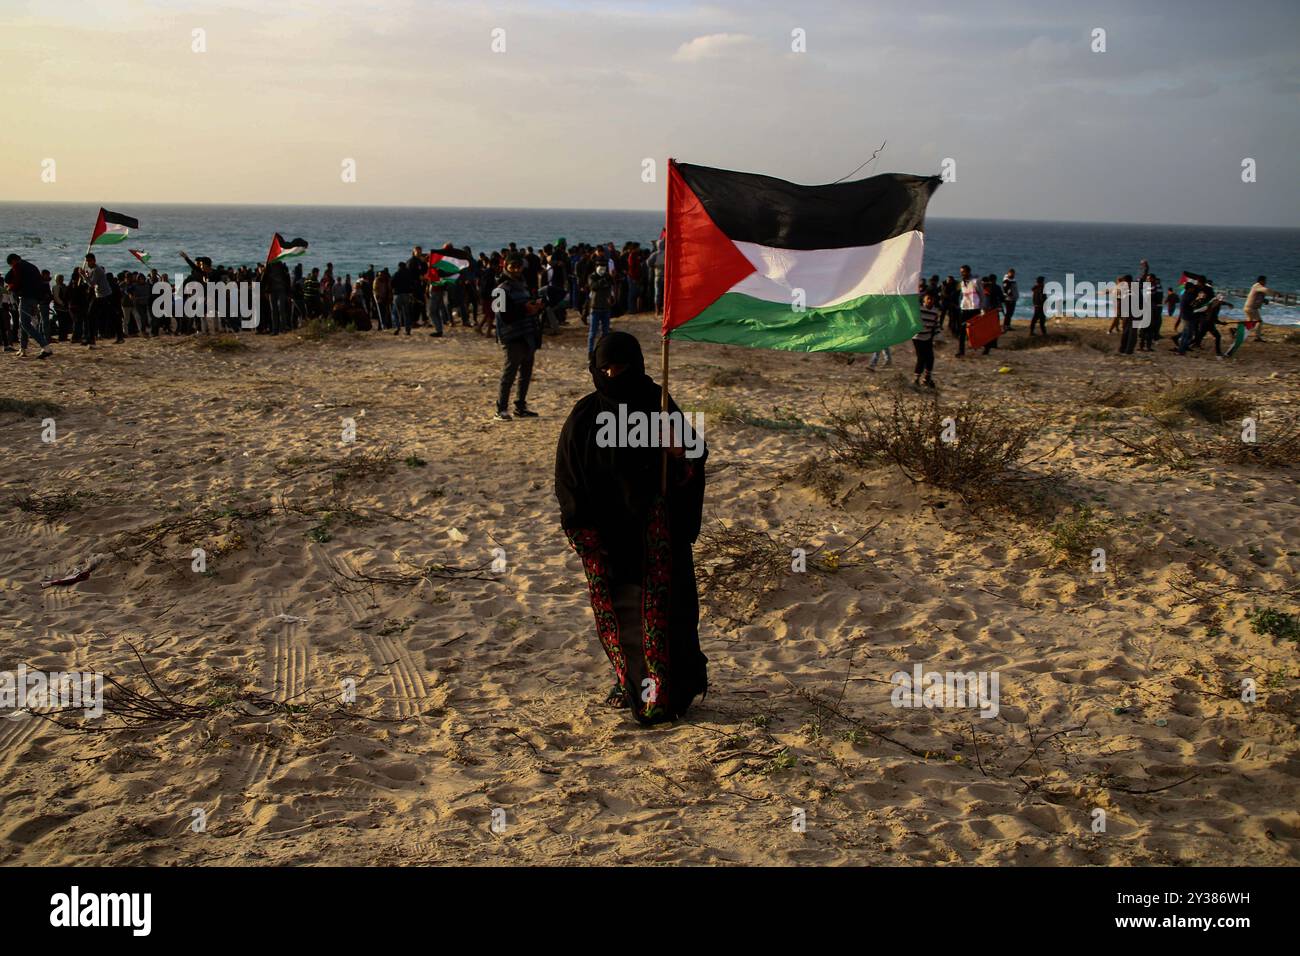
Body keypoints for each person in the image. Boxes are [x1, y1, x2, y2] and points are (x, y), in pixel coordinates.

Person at [554, 330, 708, 724]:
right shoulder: (584, 416)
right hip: (606, 539)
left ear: (637, 366)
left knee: (664, 615)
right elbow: (569, 479)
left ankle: (669, 693)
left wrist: (682, 453)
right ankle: (631, 683)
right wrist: (582, 532)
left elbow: (692, 454)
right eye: (605, 367)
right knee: (622, 618)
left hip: (655, 536)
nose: (612, 374)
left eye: (620, 367)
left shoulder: (657, 405)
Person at [492, 256, 543, 421]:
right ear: (506, 266)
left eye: (518, 266)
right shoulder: (501, 289)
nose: (516, 269)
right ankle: (501, 409)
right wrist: (525, 309)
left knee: (525, 374)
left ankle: (520, 406)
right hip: (512, 337)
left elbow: (526, 307)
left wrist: (536, 307)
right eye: (513, 266)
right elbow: (503, 317)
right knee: (509, 374)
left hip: (527, 335)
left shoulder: (523, 286)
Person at [4, 253, 54, 358]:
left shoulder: (18, 266)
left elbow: (12, 279)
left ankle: (45, 346)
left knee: (26, 324)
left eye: (11, 265)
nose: (12, 267)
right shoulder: (32, 267)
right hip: (35, 298)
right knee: (24, 323)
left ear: (13, 261)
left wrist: (11, 287)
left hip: (26, 297)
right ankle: (23, 349)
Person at [912, 290, 941, 387]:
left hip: (928, 337)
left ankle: (927, 378)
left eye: (932, 299)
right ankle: (916, 379)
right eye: (928, 298)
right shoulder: (918, 309)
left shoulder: (935, 311)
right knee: (921, 358)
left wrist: (938, 338)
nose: (930, 300)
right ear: (924, 299)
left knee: (930, 358)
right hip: (917, 337)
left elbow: (936, 325)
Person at [586, 258, 614, 353]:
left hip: (606, 307)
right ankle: (590, 352)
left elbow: (611, 285)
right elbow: (593, 287)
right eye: (600, 268)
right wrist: (602, 281)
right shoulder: (592, 277)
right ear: (596, 268)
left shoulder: (608, 276)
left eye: (604, 268)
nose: (602, 270)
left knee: (605, 333)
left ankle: (603, 351)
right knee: (592, 333)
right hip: (595, 308)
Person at [1243, 276, 1279, 342]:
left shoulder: (1257, 287)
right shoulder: (1257, 286)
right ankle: (1257, 337)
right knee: (1259, 321)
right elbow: (1266, 290)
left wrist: (1264, 300)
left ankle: (1236, 332)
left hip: (1249, 307)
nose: (1266, 282)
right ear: (1261, 281)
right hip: (1251, 308)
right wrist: (1275, 293)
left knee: (1250, 323)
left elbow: (1256, 297)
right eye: (1265, 281)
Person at [956, 265, 981, 357]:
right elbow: (961, 295)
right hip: (964, 308)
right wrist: (959, 305)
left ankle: (981, 346)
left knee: (975, 329)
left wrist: (983, 308)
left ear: (969, 271)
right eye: (961, 272)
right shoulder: (961, 282)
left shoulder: (976, 281)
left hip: (975, 308)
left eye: (964, 272)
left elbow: (981, 294)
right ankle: (961, 351)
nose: (962, 274)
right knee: (962, 330)